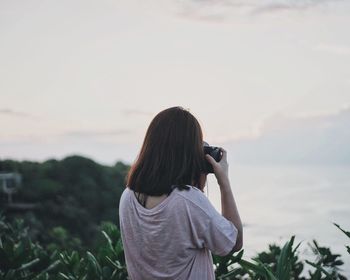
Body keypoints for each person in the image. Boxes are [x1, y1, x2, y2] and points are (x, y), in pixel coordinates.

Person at [119, 106, 243, 280]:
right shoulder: (189, 200)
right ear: (189, 151)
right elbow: (233, 243)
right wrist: (224, 182)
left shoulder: (128, 196)